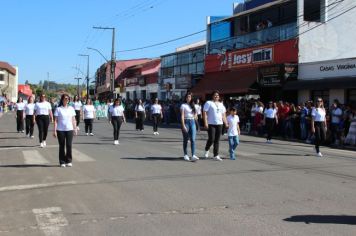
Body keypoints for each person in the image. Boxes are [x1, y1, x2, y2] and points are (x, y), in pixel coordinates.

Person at [203, 90, 228, 161]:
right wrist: (205, 122)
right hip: (211, 123)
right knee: (211, 139)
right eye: (215, 95)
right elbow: (204, 112)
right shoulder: (209, 103)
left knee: (217, 140)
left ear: (219, 97)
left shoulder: (221, 104)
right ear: (212, 96)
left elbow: (223, 115)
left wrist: (226, 123)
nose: (216, 96)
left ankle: (215, 155)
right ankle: (206, 149)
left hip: (220, 124)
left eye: (217, 95)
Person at [53, 94, 77, 167]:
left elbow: (73, 120)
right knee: (62, 146)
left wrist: (75, 128)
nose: (66, 100)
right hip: (60, 130)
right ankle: (62, 161)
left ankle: (69, 160)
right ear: (62, 99)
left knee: (69, 145)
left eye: (68, 99)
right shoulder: (58, 109)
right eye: (65, 98)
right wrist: (54, 131)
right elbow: (56, 121)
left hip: (69, 129)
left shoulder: (71, 109)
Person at [181, 92, 199, 162]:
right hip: (186, 121)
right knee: (185, 139)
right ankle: (185, 154)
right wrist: (183, 125)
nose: (188, 98)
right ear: (185, 98)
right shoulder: (183, 105)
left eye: (190, 97)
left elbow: (195, 114)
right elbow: (182, 115)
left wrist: (196, 116)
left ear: (191, 98)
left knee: (193, 139)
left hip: (192, 122)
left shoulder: (193, 105)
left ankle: (193, 155)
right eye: (187, 97)